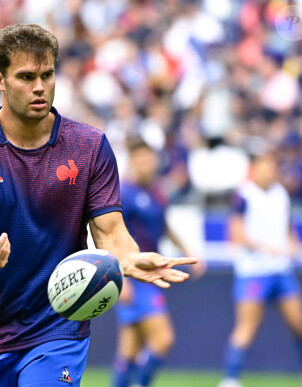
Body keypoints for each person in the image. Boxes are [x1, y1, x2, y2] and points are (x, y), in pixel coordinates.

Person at [0, 23, 197, 387]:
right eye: (26, 77)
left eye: (47, 74)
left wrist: (129, 258)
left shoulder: (90, 147)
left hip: (58, 327)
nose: (40, 87)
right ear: (0, 79)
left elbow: (110, 233)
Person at [218, 152, 302, 387]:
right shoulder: (244, 196)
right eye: (264, 166)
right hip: (253, 272)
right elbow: (236, 232)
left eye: (272, 166)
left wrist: (293, 243)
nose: (269, 171)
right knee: (247, 328)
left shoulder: (281, 194)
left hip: (281, 271)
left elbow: (287, 227)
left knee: (300, 324)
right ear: (255, 168)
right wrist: (266, 248)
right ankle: (231, 379)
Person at [112, 138, 204, 387]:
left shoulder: (157, 193)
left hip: (151, 275)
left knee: (129, 349)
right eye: (139, 158)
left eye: (148, 158)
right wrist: (120, 277)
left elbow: (163, 226)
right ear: (131, 162)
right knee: (163, 339)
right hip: (134, 277)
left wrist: (188, 251)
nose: (145, 163)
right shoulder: (124, 194)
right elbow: (112, 235)